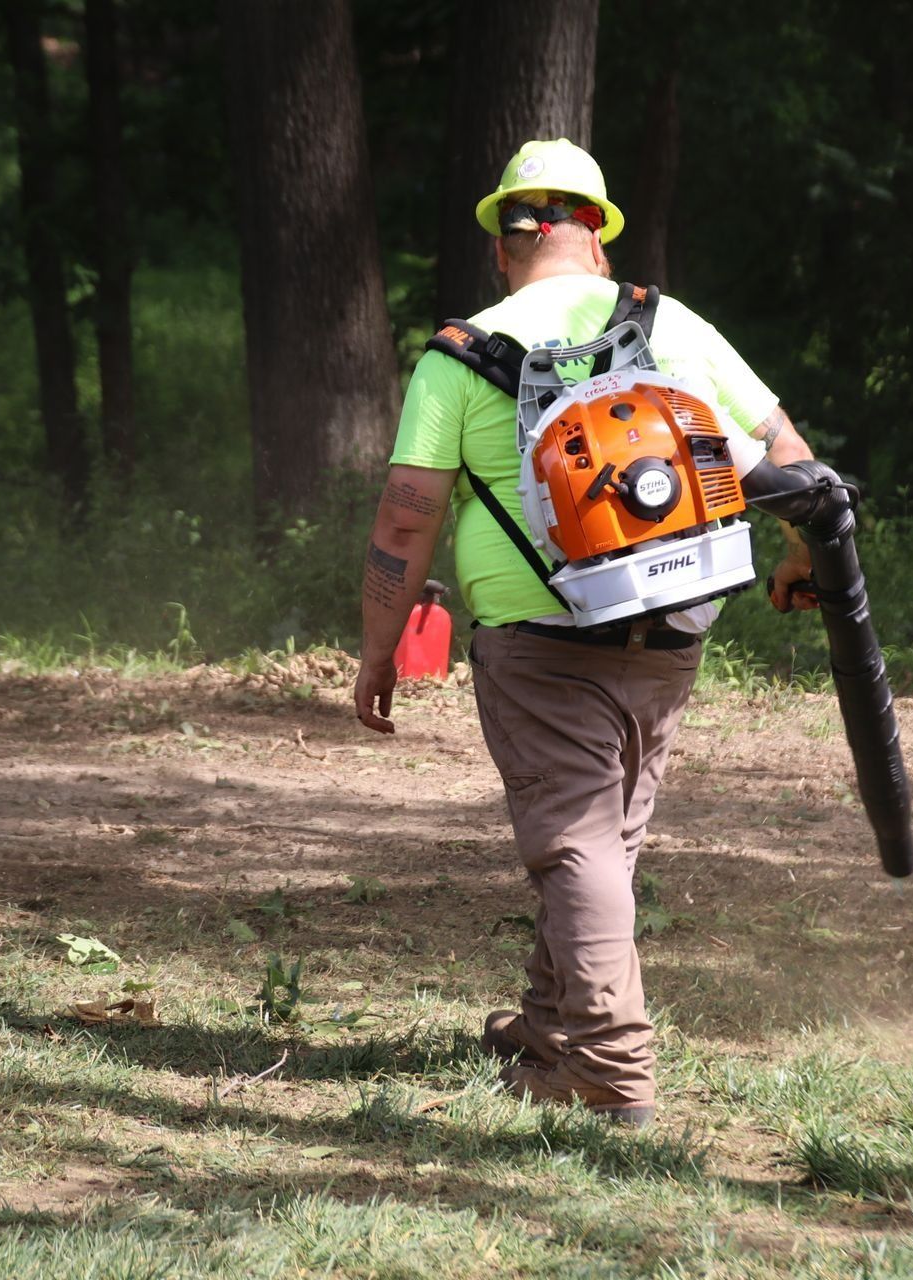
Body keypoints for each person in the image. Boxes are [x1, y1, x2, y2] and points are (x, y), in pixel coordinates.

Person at [352, 138, 819, 1126]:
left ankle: (606, 1065)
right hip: (673, 623)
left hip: (535, 636)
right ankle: (553, 1022)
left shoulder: (459, 355)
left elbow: (406, 518)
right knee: (607, 833)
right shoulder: (674, 323)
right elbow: (787, 453)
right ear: (597, 238)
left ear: (501, 248)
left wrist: (380, 645)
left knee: (574, 840)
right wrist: (800, 561)